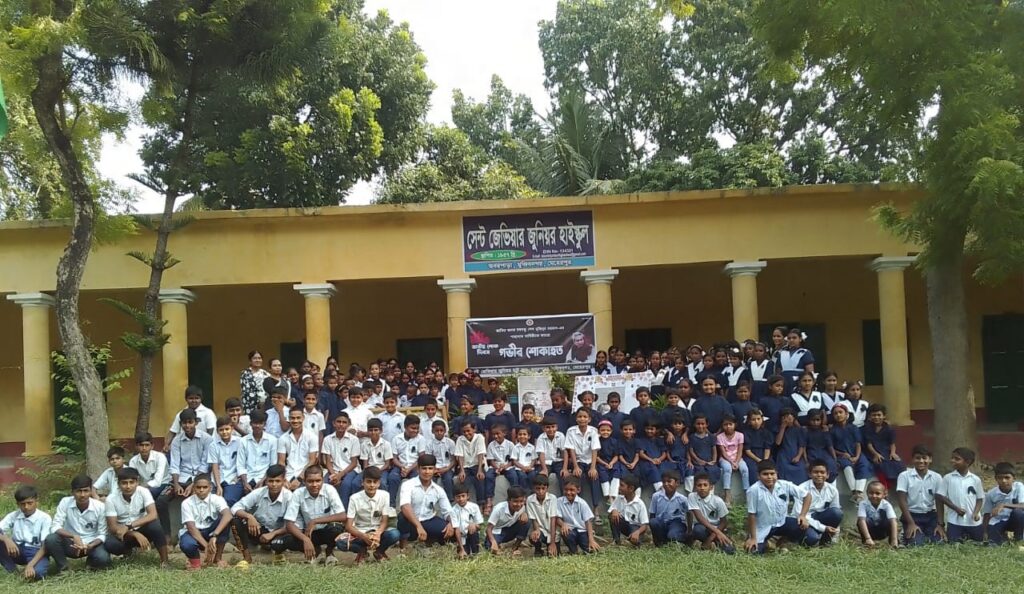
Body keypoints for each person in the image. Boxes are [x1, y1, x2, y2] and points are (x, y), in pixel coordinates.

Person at [158, 409, 213, 536]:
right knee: (161, 501)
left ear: (196, 422)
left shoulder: (206, 439)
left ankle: (195, 534)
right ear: (180, 424)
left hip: (200, 477)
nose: (187, 426)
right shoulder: (176, 441)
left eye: (190, 422)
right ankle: (167, 536)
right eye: (184, 423)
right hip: (181, 477)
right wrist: (176, 484)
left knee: (196, 496)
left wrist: (193, 484)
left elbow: (205, 465)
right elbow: (175, 464)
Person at [743, 460, 817, 554]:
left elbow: (807, 496)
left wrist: (802, 515)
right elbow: (752, 515)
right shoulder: (753, 490)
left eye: (772, 474)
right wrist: (753, 538)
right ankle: (769, 543)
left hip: (782, 522)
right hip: (763, 526)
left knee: (811, 537)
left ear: (776, 474)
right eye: (765, 474)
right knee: (753, 551)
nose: (769, 477)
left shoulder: (784, 485)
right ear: (758, 476)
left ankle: (784, 541)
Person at [104, 468, 169, 567]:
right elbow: (113, 527)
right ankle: (128, 552)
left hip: (142, 529)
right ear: (118, 484)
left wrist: (129, 526)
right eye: (124, 483)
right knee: (110, 544)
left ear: (137, 482)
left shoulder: (143, 492)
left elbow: (153, 514)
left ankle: (165, 561)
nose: (128, 486)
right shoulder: (111, 499)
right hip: (123, 534)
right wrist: (134, 533)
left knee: (155, 526)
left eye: (131, 482)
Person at [45, 475, 110, 575]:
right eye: (79, 491)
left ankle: (90, 563)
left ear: (90, 492)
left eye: (86, 491)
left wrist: (90, 545)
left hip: (91, 544)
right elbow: (55, 526)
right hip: (71, 544)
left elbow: (102, 534)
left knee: (103, 559)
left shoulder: (100, 507)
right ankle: (64, 568)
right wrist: (73, 536)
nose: (82, 495)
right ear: (72, 492)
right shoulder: (65, 502)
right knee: (51, 539)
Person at [282, 466, 346, 564]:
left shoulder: (329, 490)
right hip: (309, 533)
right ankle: (316, 552)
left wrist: (315, 521)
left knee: (336, 529)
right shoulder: (298, 493)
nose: (314, 484)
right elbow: (289, 524)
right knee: (287, 541)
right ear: (304, 481)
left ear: (323, 480)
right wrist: (305, 539)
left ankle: (329, 552)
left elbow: (342, 515)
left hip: (327, 530)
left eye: (318, 481)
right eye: (310, 481)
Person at [230, 464, 292, 564]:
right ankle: (246, 557)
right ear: (266, 481)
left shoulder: (289, 497)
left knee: (283, 540)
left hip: (279, 534)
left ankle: (278, 553)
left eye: (278, 481)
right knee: (235, 521)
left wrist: (273, 534)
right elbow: (235, 508)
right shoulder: (258, 493)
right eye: (271, 481)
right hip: (259, 530)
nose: (274, 484)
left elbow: (293, 524)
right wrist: (249, 516)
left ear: (284, 481)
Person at [336, 467, 400, 563]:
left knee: (394, 534)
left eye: (375, 482)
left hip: (377, 532)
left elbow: (384, 520)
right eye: (368, 482)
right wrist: (364, 536)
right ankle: (362, 552)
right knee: (341, 543)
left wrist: (378, 534)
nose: (372, 485)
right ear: (362, 482)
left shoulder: (385, 495)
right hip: (360, 532)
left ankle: (379, 552)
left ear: (379, 483)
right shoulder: (354, 498)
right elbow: (349, 526)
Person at [178, 473, 233, 570]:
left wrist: (214, 535)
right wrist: (207, 546)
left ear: (210, 488)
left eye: (205, 487)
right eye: (198, 487)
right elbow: (191, 527)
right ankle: (195, 563)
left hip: (211, 531)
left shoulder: (217, 499)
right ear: (194, 488)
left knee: (225, 521)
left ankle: (217, 559)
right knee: (186, 544)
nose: (201, 490)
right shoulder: (186, 503)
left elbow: (228, 515)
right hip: (194, 532)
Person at [398, 454, 453, 548]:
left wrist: (451, 523)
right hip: (411, 523)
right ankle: (404, 545)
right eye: (424, 468)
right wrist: (418, 526)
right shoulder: (408, 485)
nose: (427, 472)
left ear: (435, 470)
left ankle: (429, 540)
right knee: (402, 517)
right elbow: (405, 506)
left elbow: (448, 511)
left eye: (430, 468)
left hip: (428, 520)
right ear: (418, 469)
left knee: (451, 532)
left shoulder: (438, 490)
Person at [895, 444, 945, 546]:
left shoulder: (937, 477)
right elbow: (902, 500)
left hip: (930, 516)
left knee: (939, 542)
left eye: (924, 458)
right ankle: (905, 533)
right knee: (916, 544)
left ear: (930, 459)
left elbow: (939, 501)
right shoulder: (904, 476)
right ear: (913, 459)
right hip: (912, 515)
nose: (921, 461)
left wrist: (940, 524)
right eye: (917, 458)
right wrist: (911, 523)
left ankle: (926, 532)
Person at [0, 485, 51, 581]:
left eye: (30, 503)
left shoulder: (44, 518)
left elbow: (45, 546)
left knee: (37, 574)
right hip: (17, 550)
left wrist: (30, 565)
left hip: (36, 552)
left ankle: (30, 569)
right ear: (17, 504)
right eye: (22, 504)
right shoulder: (14, 515)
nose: (26, 507)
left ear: (36, 501)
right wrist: (6, 539)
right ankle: (13, 571)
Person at [937, 447, 985, 543]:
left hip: (973, 522)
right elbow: (940, 496)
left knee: (977, 544)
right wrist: (956, 509)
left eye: (957, 459)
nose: (952, 461)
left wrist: (975, 513)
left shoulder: (975, 480)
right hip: (955, 522)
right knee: (954, 544)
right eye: (952, 458)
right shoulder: (948, 478)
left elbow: (980, 498)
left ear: (967, 462)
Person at [830, 402, 870, 503]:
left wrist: (857, 456)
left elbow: (858, 444)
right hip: (842, 455)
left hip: (856, 453)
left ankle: (859, 492)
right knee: (847, 466)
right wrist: (842, 454)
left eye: (841, 412)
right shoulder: (832, 430)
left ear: (846, 414)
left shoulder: (853, 428)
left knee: (864, 464)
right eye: (835, 413)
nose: (838, 415)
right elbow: (831, 447)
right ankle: (853, 492)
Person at [322, 412, 363, 508]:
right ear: (334, 423)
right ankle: (327, 511)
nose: (341, 424)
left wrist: (340, 475)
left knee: (346, 484)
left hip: (350, 469)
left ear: (348, 424)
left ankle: (343, 511)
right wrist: (334, 475)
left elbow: (353, 463)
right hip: (334, 470)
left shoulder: (354, 440)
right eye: (338, 422)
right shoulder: (327, 439)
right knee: (325, 484)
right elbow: (327, 462)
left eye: (344, 422)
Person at [566, 408, 602, 511]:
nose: (582, 419)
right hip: (578, 461)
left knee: (594, 477)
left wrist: (593, 468)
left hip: (590, 461)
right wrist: (576, 467)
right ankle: (579, 507)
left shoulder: (593, 431)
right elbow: (571, 449)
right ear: (576, 419)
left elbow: (594, 449)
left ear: (589, 419)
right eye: (580, 417)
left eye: (585, 417)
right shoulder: (571, 431)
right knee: (577, 477)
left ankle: (596, 508)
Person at [799, 460, 843, 545]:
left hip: (821, 517)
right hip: (805, 520)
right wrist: (823, 528)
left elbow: (836, 512)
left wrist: (835, 536)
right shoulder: (802, 489)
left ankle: (826, 540)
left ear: (827, 475)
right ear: (809, 474)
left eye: (822, 472)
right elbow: (799, 515)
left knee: (837, 512)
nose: (819, 475)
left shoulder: (832, 490)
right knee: (812, 539)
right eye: (816, 472)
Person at [687, 473, 734, 553]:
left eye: (705, 485)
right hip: (703, 528)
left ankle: (710, 543)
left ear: (711, 487)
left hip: (717, 528)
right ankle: (705, 543)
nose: (702, 488)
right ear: (695, 487)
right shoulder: (692, 496)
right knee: (698, 530)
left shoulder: (718, 501)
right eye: (699, 485)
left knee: (729, 550)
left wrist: (712, 536)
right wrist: (717, 533)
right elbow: (699, 518)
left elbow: (724, 522)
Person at [982, 462, 1024, 545]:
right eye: (1000, 478)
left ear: (1014, 478)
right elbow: (986, 514)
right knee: (993, 543)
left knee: (1018, 512)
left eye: (1007, 477)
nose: (1004, 481)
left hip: (1014, 520)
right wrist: (985, 532)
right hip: (998, 520)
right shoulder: (991, 494)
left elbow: (1023, 505)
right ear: (996, 479)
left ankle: (1018, 538)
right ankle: (1003, 537)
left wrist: (1004, 505)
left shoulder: (1019, 487)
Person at [164, 386, 217, 451]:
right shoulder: (181, 413)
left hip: (202, 446)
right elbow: (173, 431)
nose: (194, 401)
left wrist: (204, 445)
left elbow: (211, 431)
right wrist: (166, 445)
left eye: (197, 398)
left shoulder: (208, 413)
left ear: (201, 399)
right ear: (186, 399)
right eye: (191, 398)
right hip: (184, 446)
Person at [278, 408, 320, 490]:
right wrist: (284, 479)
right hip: (288, 474)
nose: (295, 421)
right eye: (292, 418)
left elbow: (312, 461)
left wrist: (299, 479)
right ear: (289, 419)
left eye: (298, 418)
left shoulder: (312, 437)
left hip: (306, 474)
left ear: (303, 418)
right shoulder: (283, 438)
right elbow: (281, 462)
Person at [237, 410, 278, 493]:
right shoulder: (243, 441)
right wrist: (245, 483)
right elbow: (240, 465)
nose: (257, 426)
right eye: (255, 423)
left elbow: (273, 464)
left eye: (260, 423)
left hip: (265, 479)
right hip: (247, 478)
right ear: (250, 424)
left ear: (265, 424)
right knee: (232, 497)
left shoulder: (272, 440)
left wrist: (263, 481)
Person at [556, 478, 600, 555]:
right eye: (566, 490)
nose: (568, 492)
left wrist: (591, 540)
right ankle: (573, 551)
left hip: (582, 531)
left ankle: (586, 546)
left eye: (572, 490)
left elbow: (588, 522)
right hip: (570, 530)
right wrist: (563, 524)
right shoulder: (559, 501)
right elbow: (557, 518)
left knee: (591, 551)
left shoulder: (582, 503)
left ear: (578, 490)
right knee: (566, 533)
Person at [862, 404, 904, 484]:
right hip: (871, 452)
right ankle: (885, 485)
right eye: (874, 415)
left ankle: (897, 484)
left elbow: (892, 443)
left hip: (886, 451)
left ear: (884, 416)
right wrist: (876, 454)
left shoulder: (889, 428)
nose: (876, 417)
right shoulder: (867, 428)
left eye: (879, 415)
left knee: (898, 463)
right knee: (880, 463)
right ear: (870, 416)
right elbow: (869, 444)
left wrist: (893, 453)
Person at [390, 416, 426, 505]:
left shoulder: (421, 439)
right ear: (405, 427)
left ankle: (416, 504)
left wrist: (409, 469)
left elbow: (421, 458)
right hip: (400, 465)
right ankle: (392, 504)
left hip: (415, 466)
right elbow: (394, 458)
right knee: (392, 478)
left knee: (417, 478)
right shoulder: (396, 439)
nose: (415, 431)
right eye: (413, 428)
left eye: (417, 428)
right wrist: (402, 467)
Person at [208, 416, 243, 506]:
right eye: (221, 430)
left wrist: (240, 476)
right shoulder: (213, 445)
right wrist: (218, 485)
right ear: (217, 431)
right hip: (218, 478)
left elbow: (243, 462)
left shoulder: (240, 442)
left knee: (228, 500)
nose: (224, 432)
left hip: (234, 478)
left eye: (227, 429)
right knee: (211, 501)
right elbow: (215, 466)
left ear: (232, 428)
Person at [485, 486, 530, 554]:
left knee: (526, 522)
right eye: (515, 501)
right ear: (509, 500)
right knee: (490, 548)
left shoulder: (522, 507)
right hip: (497, 532)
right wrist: (493, 542)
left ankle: (515, 548)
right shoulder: (499, 509)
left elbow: (523, 517)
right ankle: (501, 546)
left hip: (510, 530)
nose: (518, 504)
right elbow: (488, 529)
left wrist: (524, 514)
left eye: (521, 501)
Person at [649, 469, 688, 546]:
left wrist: (689, 529)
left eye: (669, 481)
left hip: (676, 522)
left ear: (677, 483)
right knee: (653, 522)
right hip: (661, 522)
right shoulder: (656, 496)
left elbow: (689, 513)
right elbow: (652, 513)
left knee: (673, 535)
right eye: (664, 482)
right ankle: (661, 542)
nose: (666, 484)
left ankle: (681, 540)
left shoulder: (682, 499)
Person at [608, 474, 649, 547]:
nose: (619, 487)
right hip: (624, 525)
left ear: (631, 488)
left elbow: (645, 525)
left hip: (635, 528)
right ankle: (616, 541)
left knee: (635, 541)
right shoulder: (619, 498)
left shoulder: (640, 504)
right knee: (612, 516)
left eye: (622, 485)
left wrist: (637, 532)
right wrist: (614, 510)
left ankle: (642, 538)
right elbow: (611, 509)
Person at [455, 419, 487, 509]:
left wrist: (480, 470)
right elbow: (460, 456)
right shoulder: (460, 439)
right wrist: (461, 471)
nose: (466, 433)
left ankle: (481, 504)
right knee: (463, 480)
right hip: (465, 466)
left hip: (477, 465)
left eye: (468, 430)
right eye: (464, 431)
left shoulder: (479, 437)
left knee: (480, 479)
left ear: (474, 429)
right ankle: (466, 505)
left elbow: (480, 454)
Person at [857, 481, 899, 548]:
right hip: (870, 531)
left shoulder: (886, 505)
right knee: (860, 521)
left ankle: (893, 543)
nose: (874, 496)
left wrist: (894, 540)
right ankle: (867, 542)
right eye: (871, 493)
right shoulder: (863, 504)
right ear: (867, 493)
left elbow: (893, 521)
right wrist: (868, 538)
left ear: (884, 494)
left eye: (877, 493)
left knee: (890, 521)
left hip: (883, 531)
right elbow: (861, 520)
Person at [526, 474, 560, 557]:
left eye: (543, 488)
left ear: (547, 488)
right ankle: (538, 549)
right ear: (534, 488)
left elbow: (553, 520)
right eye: (538, 488)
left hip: (553, 533)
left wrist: (552, 543)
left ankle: (552, 545)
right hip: (541, 531)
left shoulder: (552, 498)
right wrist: (537, 530)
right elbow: (533, 519)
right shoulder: (530, 499)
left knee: (553, 556)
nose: (540, 491)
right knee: (534, 536)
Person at [129, 432, 169, 500]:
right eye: (141, 445)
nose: (144, 448)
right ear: (136, 446)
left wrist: (140, 488)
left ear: (152, 446)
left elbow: (157, 482)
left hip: (163, 484)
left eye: (147, 445)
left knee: (148, 493)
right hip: (143, 487)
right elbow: (132, 479)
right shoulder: (133, 461)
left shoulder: (160, 457)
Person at [716, 414, 747, 503]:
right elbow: (723, 453)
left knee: (744, 469)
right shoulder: (720, 437)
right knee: (727, 469)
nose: (728, 426)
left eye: (730, 424)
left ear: (735, 425)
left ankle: (747, 492)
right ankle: (727, 494)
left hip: (738, 458)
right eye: (725, 424)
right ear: (722, 426)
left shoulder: (740, 435)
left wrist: (736, 462)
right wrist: (732, 462)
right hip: (725, 459)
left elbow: (740, 450)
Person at [774, 328, 815, 394]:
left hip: (798, 383)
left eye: (794, 338)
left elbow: (809, 372)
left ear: (800, 339)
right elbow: (778, 372)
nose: (791, 340)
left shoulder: (805, 352)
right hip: (784, 384)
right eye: (789, 338)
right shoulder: (782, 353)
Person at [447, 485, 484, 558]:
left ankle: (475, 551)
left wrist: (474, 525)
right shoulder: (453, 510)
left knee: (473, 529)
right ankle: (463, 548)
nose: (461, 499)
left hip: (472, 534)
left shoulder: (474, 507)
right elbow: (457, 529)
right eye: (458, 497)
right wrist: (462, 549)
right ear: (454, 498)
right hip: (461, 536)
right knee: (463, 555)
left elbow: (480, 526)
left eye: (463, 496)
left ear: (468, 496)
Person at [424, 420, 457, 499]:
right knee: (429, 479)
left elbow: (454, 460)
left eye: (441, 430)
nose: (439, 433)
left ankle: (450, 499)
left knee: (448, 479)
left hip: (448, 467)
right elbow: (429, 460)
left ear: (445, 431)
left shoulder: (450, 442)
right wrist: (435, 469)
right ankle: (430, 499)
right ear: (432, 431)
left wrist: (446, 469)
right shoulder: (429, 444)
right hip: (434, 468)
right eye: (437, 431)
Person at [774, 409, 807, 484]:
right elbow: (778, 442)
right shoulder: (777, 429)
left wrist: (798, 457)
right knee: (784, 470)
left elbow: (801, 446)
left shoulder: (799, 430)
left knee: (801, 471)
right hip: (784, 456)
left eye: (789, 418)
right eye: (784, 418)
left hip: (796, 455)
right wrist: (783, 427)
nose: (787, 421)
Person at [803, 409, 836, 481]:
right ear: (808, 420)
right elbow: (803, 448)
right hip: (812, 454)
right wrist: (806, 461)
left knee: (831, 465)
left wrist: (834, 458)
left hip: (824, 453)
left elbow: (830, 446)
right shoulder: (806, 432)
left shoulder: (824, 431)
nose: (815, 422)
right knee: (814, 467)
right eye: (813, 420)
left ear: (821, 420)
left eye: (818, 420)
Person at [537, 416, 568, 492]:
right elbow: (541, 454)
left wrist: (565, 468)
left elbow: (565, 452)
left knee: (564, 476)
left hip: (559, 462)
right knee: (541, 478)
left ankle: (564, 496)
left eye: (553, 427)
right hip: (546, 463)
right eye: (548, 427)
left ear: (557, 427)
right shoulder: (541, 438)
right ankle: (542, 495)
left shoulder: (561, 436)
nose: (551, 429)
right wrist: (544, 469)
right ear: (543, 428)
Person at [688, 415, 719, 488]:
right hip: (697, 462)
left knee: (713, 471)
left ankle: (711, 490)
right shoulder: (692, 437)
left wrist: (714, 460)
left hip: (709, 461)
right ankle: (700, 489)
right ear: (694, 424)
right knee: (700, 472)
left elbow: (714, 450)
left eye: (703, 424)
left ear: (707, 424)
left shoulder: (711, 437)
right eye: (698, 424)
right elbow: (691, 451)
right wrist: (698, 460)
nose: (700, 426)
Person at [596, 420, 621, 508]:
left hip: (612, 461)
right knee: (602, 473)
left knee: (616, 472)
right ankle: (608, 496)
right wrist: (605, 463)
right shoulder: (597, 441)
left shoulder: (614, 441)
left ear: (611, 431)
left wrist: (611, 463)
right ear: (599, 431)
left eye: (608, 430)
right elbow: (596, 457)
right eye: (602, 430)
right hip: (601, 462)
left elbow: (616, 456)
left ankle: (613, 495)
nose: (605, 432)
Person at [510, 426, 539, 490]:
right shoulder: (515, 447)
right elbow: (514, 461)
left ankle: (532, 491)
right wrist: (523, 467)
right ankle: (524, 492)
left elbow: (534, 459)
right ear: (517, 436)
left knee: (533, 475)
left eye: (524, 434)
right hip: (519, 468)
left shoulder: (532, 447)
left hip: (530, 468)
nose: (522, 436)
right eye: (520, 434)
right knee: (522, 476)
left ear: (529, 436)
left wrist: (530, 467)